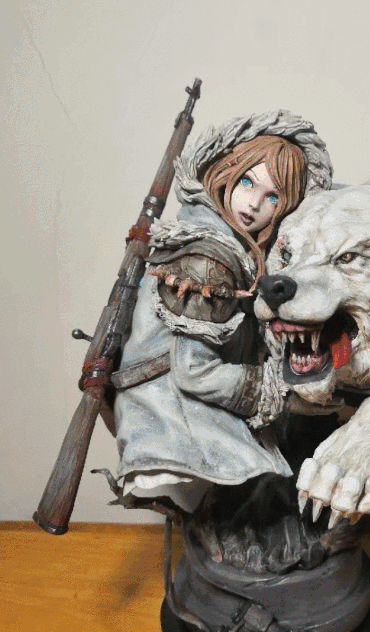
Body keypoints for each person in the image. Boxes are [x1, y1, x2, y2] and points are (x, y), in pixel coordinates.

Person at [112, 111, 333, 503]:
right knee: (278, 484)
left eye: (273, 197)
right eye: (248, 182)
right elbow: (194, 372)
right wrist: (272, 388)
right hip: (169, 415)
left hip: (178, 402)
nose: (254, 203)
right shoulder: (209, 259)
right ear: (228, 172)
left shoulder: (227, 242)